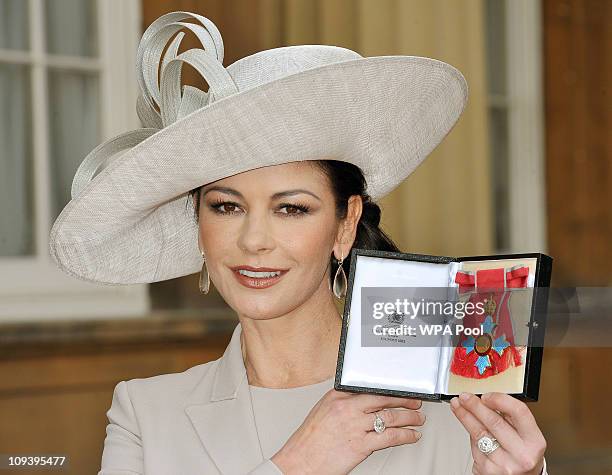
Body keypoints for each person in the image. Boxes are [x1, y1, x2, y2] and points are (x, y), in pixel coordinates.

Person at [48, 11, 548, 475]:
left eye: (291, 209)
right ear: (198, 224)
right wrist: (296, 464)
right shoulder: (144, 413)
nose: (253, 240)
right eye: (226, 206)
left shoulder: (456, 413)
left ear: (345, 224)